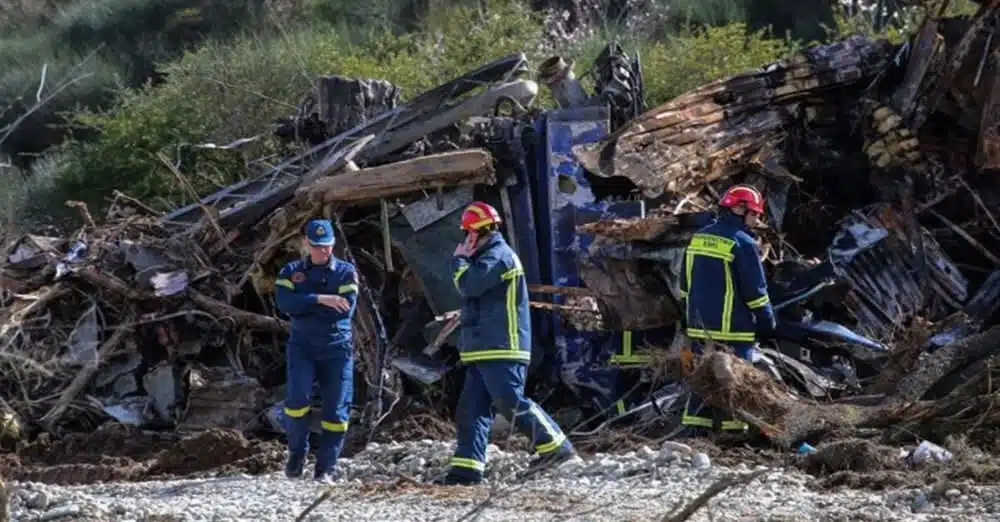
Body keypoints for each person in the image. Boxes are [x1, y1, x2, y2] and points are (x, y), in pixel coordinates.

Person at [438, 201, 576, 485]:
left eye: (467, 234)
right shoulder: (487, 258)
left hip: (502, 347)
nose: (465, 240)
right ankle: (467, 470)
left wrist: (458, 260)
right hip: (482, 349)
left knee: (510, 401)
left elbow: (468, 285)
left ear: (474, 234)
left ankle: (557, 447)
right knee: (472, 409)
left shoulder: (499, 257)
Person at [679, 184, 776, 434]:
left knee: (702, 377)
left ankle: (694, 430)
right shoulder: (742, 243)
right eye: (754, 214)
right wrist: (768, 322)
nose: (756, 220)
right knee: (736, 380)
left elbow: (683, 284)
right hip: (733, 327)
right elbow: (755, 292)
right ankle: (734, 432)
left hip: (699, 325)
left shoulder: (698, 237)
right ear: (738, 209)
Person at [274, 218, 359, 483]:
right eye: (317, 246)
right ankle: (297, 455)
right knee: (297, 401)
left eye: (327, 246)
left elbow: (346, 308)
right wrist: (321, 299)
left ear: (334, 244)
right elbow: (285, 304)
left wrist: (304, 305)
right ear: (306, 244)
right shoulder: (291, 271)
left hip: (336, 347)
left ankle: (326, 469)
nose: (323, 251)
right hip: (303, 347)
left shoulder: (346, 272)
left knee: (336, 411)